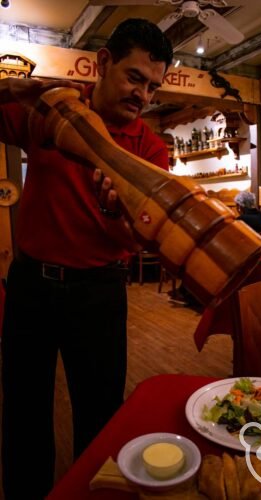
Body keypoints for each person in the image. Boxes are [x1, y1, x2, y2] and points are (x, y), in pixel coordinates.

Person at [0, 19, 173, 499]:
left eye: (153, 88)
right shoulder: (55, 108)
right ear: (102, 63)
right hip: (31, 284)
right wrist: (13, 87)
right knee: (23, 412)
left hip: (99, 292)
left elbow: (137, 238)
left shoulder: (151, 149)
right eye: (135, 78)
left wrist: (115, 211)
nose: (143, 96)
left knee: (100, 416)